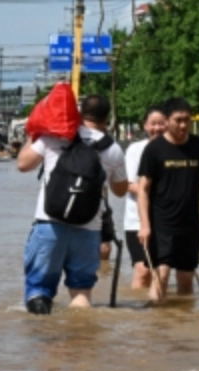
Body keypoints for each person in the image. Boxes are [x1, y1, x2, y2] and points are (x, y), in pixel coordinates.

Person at [17, 94, 128, 314]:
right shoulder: (113, 149)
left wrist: (37, 132)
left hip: (49, 224)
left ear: (79, 114)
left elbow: (22, 164)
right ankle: (81, 342)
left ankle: (45, 343)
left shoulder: (54, 137)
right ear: (108, 119)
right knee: (81, 293)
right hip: (88, 229)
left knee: (38, 293)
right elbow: (120, 190)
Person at [136, 97, 199, 300]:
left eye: (186, 120)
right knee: (161, 275)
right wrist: (145, 225)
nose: (183, 125)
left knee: (186, 279)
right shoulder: (154, 149)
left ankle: (184, 326)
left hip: (190, 224)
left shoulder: (198, 146)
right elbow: (143, 189)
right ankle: (154, 326)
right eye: (178, 120)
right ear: (167, 121)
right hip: (161, 224)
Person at [123, 104, 166, 289]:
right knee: (143, 271)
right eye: (153, 124)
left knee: (161, 272)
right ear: (145, 126)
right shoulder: (135, 150)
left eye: (161, 123)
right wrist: (149, 191)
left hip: (166, 220)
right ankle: (138, 315)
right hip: (136, 221)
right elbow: (126, 183)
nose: (157, 128)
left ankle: (159, 315)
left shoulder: (175, 150)